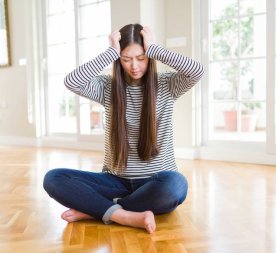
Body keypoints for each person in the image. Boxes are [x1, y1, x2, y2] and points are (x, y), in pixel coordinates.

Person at [43, 24, 204, 234]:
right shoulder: (107, 88)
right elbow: (72, 81)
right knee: (54, 178)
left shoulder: (167, 84)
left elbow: (197, 70)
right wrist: (110, 52)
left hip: (155, 182)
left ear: (149, 56)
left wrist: (154, 48)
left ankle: (98, 210)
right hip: (115, 181)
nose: (134, 66)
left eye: (141, 58)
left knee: (175, 185)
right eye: (126, 59)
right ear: (119, 59)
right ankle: (124, 215)